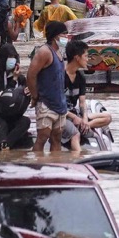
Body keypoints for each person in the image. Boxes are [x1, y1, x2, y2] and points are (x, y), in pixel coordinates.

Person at [27, 21, 69, 153]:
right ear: (55, 36)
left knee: (57, 138)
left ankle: (55, 167)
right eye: (64, 34)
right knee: (42, 137)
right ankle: (36, 168)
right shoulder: (44, 52)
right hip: (46, 103)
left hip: (60, 104)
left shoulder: (60, 52)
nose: (66, 37)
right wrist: (35, 96)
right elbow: (30, 75)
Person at [63, 39, 110, 151]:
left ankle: (85, 126)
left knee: (107, 117)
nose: (88, 59)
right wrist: (73, 117)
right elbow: (54, 104)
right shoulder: (60, 76)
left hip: (75, 113)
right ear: (77, 57)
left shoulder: (80, 77)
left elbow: (82, 102)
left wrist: (84, 119)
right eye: (86, 56)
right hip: (63, 114)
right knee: (76, 135)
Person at [0, 43, 31, 151]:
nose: (12, 61)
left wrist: (29, 93)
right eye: (9, 58)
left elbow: (26, 100)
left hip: (13, 116)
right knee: (2, 125)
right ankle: (2, 150)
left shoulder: (21, 79)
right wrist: (13, 81)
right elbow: (4, 100)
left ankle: (5, 147)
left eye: (14, 57)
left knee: (25, 122)